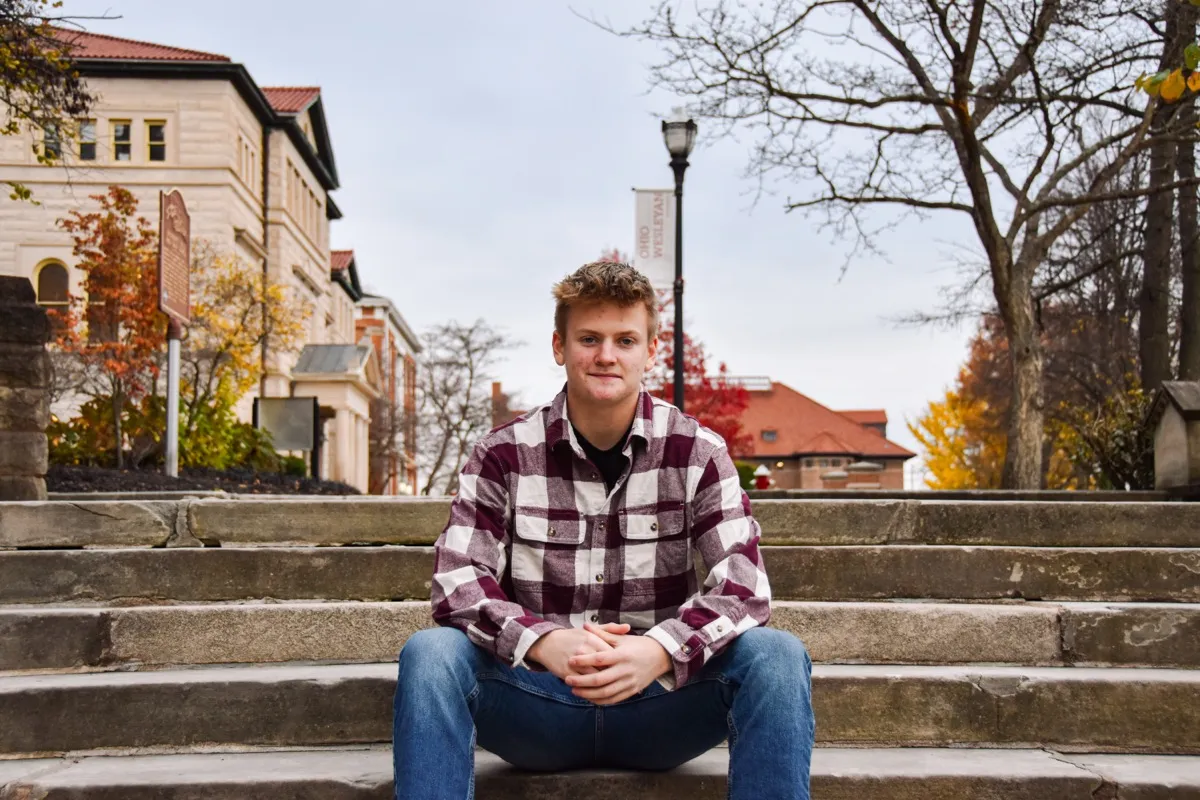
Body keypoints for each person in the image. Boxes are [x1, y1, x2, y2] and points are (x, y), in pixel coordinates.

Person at [392, 262, 815, 799]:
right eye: (589, 339)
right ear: (559, 346)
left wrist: (659, 651)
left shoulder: (697, 453)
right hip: (537, 703)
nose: (606, 355)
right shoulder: (502, 454)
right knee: (430, 654)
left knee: (777, 656)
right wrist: (543, 641)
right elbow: (457, 581)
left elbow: (743, 587)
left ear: (651, 351)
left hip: (659, 707)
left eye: (625, 340)